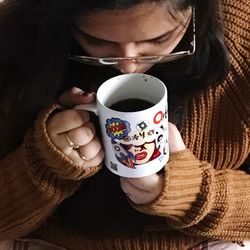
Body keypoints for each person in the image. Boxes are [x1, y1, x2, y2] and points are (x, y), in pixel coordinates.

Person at [0, 0, 249, 249]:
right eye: (97, 41)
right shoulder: (15, 39)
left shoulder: (242, 35)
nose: (128, 66)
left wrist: (192, 193)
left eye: (159, 40)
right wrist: (42, 165)